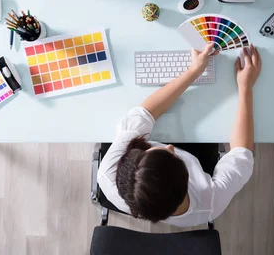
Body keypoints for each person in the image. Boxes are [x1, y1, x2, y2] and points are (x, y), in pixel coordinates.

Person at [97, 42, 262, 227]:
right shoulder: (210, 203)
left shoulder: (108, 174)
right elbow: (242, 154)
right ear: (187, 180)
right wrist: (246, 86)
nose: (168, 146)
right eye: (173, 155)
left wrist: (194, 70)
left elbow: (145, 113)